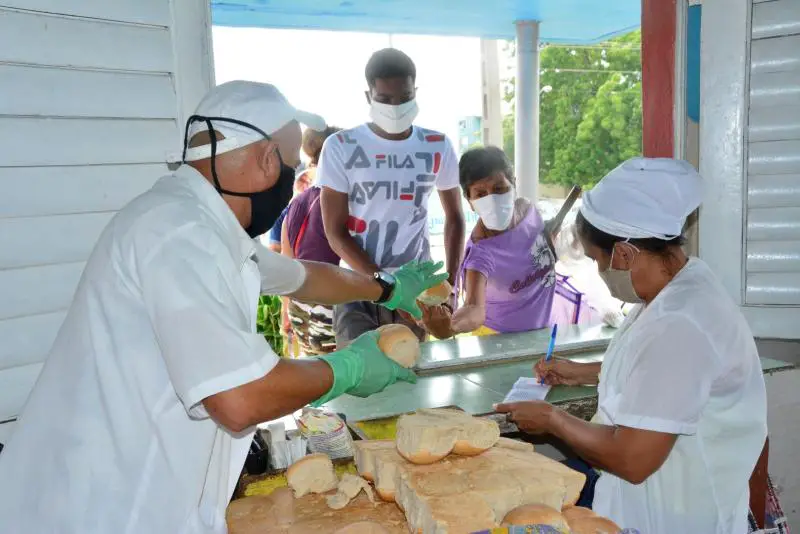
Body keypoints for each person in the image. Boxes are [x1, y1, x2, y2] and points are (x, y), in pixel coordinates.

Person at [0, 81, 446, 533]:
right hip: (99, 508)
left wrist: (385, 289)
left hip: (136, 492)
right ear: (269, 160)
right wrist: (347, 368)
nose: (292, 180)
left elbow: (306, 278)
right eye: (292, 166)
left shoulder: (200, 223)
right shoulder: (177, 233)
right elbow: (240, 398)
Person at [495, 158, 768, 534]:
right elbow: (666, 380)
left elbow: (632, 458)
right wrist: (585, 372)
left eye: (596, 259)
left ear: (623, 254)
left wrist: (552, 420)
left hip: (677, 516)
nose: (600, 271)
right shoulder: (681, 285)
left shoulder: (680, 323)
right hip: (659, 502)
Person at [318, 48, 466, 347]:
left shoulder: (437, 145)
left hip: (416, 288)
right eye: (385, 100)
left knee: (411, 375)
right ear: (368, 96)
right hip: (356, 286)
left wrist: (449, 285)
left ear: (415, 92)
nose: (396, 107)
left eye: (405, 97)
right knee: (359, 378)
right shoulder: (341, 146)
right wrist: (387, 287)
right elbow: (335, 233)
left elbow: (455, 219)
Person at [422, 146, 601, 339]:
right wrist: (451, 326)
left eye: (500, 189)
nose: (492, 199)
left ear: (514, 185)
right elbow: (474, 308)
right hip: (500, 342)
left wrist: (559, 244)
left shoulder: (530, 213)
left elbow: (541, 251)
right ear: (469, 200)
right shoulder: (481, 253)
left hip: (545, 328)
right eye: (481, 194)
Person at [280, 126, 343, 356]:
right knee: (345, 380)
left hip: (301, 309)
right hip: (331, 308)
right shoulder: (341, 199)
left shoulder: (297, 201)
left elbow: (286, 264)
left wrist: (285, 311)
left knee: (319, 378)